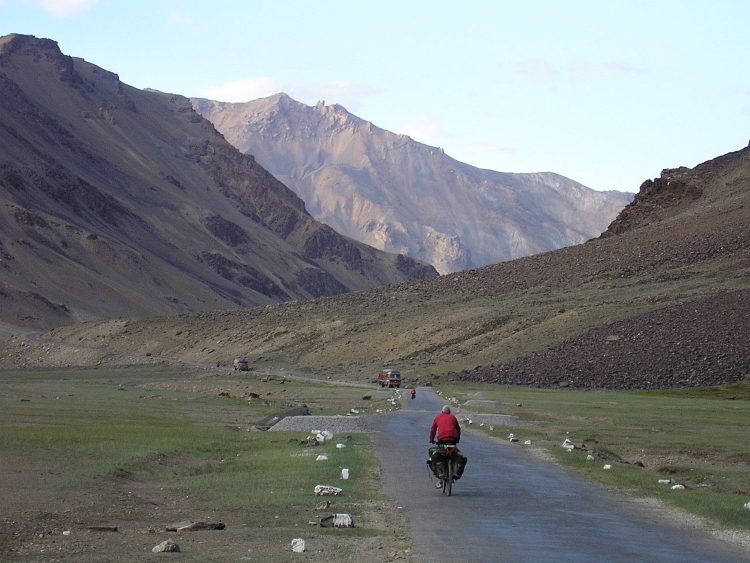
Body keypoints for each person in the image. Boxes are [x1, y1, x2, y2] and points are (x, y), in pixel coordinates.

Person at [428, 405, 462, 488]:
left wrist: (431, 440)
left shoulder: (438, 417)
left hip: (442, 441)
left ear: (442, 411)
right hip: (453, 441)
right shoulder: (453, 418)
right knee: (455, 454)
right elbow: (458, 429)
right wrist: (457, 439)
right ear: (449, 412)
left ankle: (440, 479)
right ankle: (453, 472)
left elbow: (433, 429)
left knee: (438, 455)